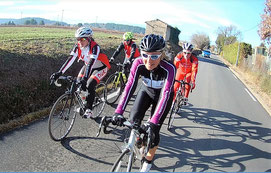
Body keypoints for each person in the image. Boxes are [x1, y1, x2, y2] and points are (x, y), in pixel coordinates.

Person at [111, 34, 176, 172]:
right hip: (146, 91)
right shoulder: (138, 63)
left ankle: (148, 161)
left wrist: (153, 122)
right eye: (145, 55)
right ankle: (139, 140)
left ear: (162, 54)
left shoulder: (169, 68)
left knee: (154, 131)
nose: (149, 60)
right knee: (133, 119)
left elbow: (165, 95)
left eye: (154, 56)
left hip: (163, 96)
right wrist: (118, 111)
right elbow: (129, 87)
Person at [50, 26, 111, 118]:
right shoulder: (77, 46)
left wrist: (85, 79)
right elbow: (70, 60)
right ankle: (85, 103)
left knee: (89, 84)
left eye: (82, 39)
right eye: (78, 39)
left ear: (89, 38)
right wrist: (59, 72)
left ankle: (89, 109)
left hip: (100, 67)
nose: (79, 42)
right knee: (79, 84)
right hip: (88, 66)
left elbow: (91, 63)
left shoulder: (95, 47)